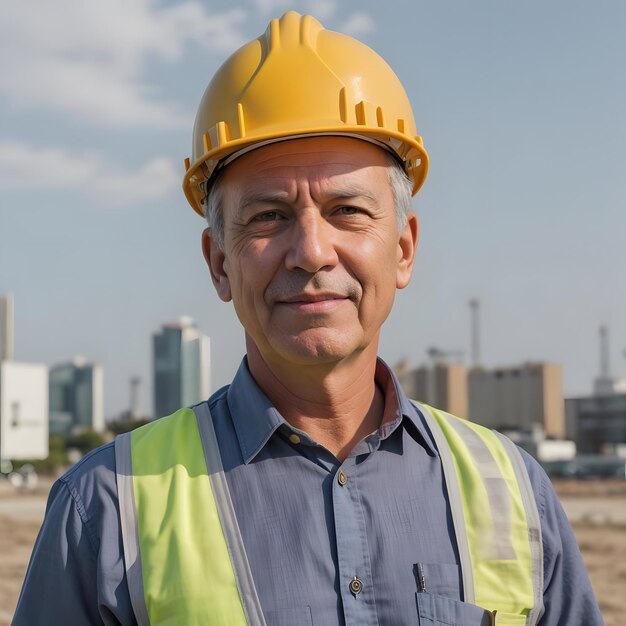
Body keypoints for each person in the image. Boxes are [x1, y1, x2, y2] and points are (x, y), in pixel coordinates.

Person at [14, 11, 602, 626]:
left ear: (403, 249)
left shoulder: (514, 492)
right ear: (218, 263)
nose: (312, 251)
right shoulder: (105, 507)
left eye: (347, 209)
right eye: (268, 217)